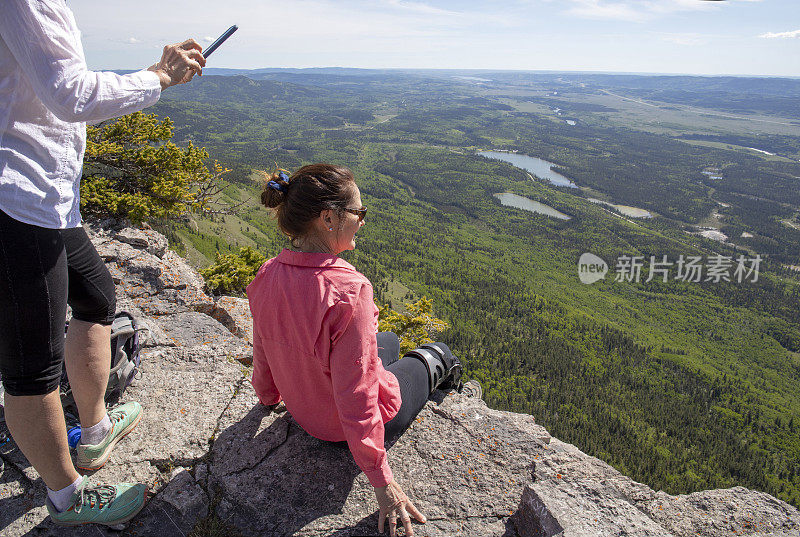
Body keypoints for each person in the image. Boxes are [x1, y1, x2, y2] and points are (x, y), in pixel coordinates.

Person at [0, 0, 205, 527]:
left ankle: (93, 433)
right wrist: (157, 76)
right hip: (15, 202)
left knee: (95, 298)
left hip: (45, 194)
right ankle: (67, 497)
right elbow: (72, 94)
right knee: (31, 370)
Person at [247, 164, 468, 537]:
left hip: (304, 412)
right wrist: (384, 485)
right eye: (359, 213)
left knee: (390, 342)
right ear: (329, 218)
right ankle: (449, 384)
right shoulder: (350, 291)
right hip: (341, 426)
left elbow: (264, 347)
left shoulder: (267, 274)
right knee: (439, 352)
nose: (363, 221)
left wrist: (268, 398)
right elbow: (358, 394)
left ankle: (404, 364)